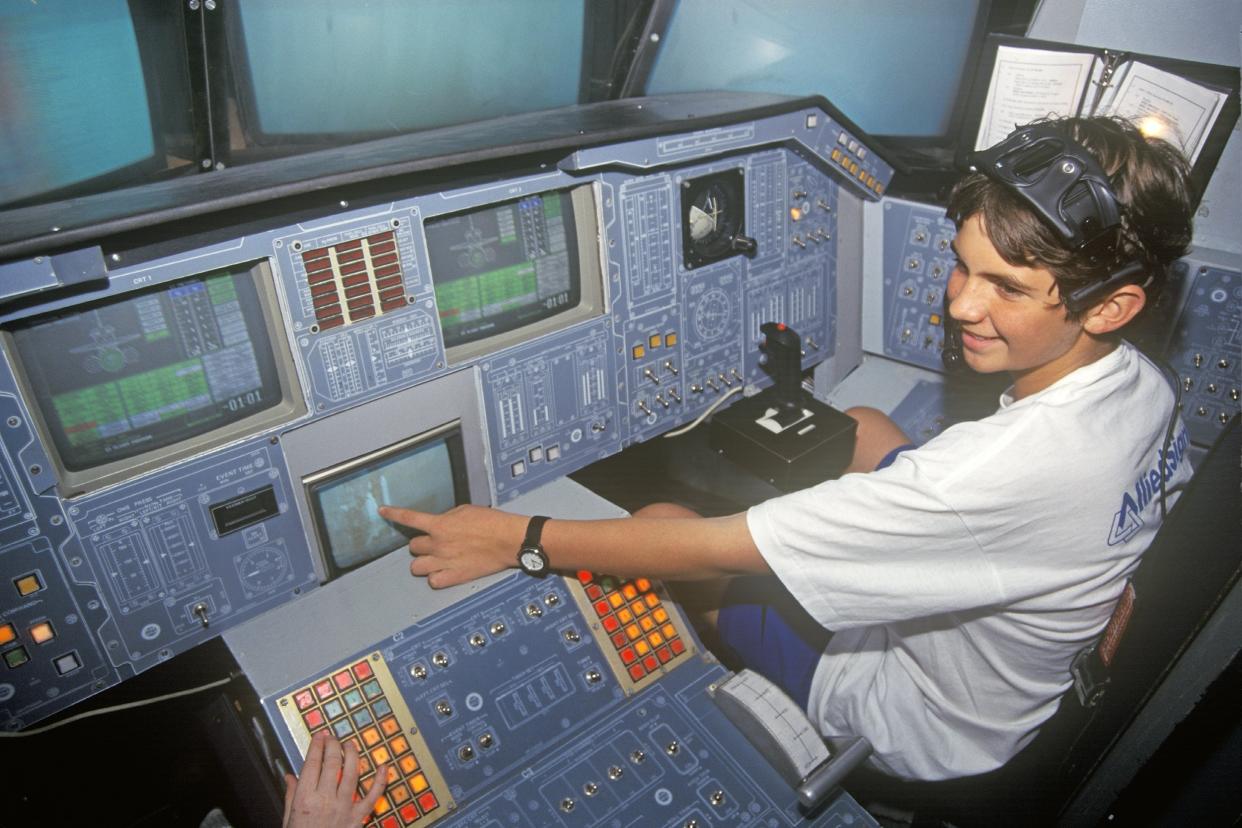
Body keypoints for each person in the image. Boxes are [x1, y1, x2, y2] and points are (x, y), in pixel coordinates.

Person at [372, 115, 1194, 784]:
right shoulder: (1140, 387)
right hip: (1020, 675)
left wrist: (517, 539)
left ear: (1112, 306)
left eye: (1007, 289)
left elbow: (707, 544)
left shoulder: (995, 474)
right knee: (866, 423)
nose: (961, 305)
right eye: (961, 265)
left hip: (914, 712)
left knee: (663, 518)